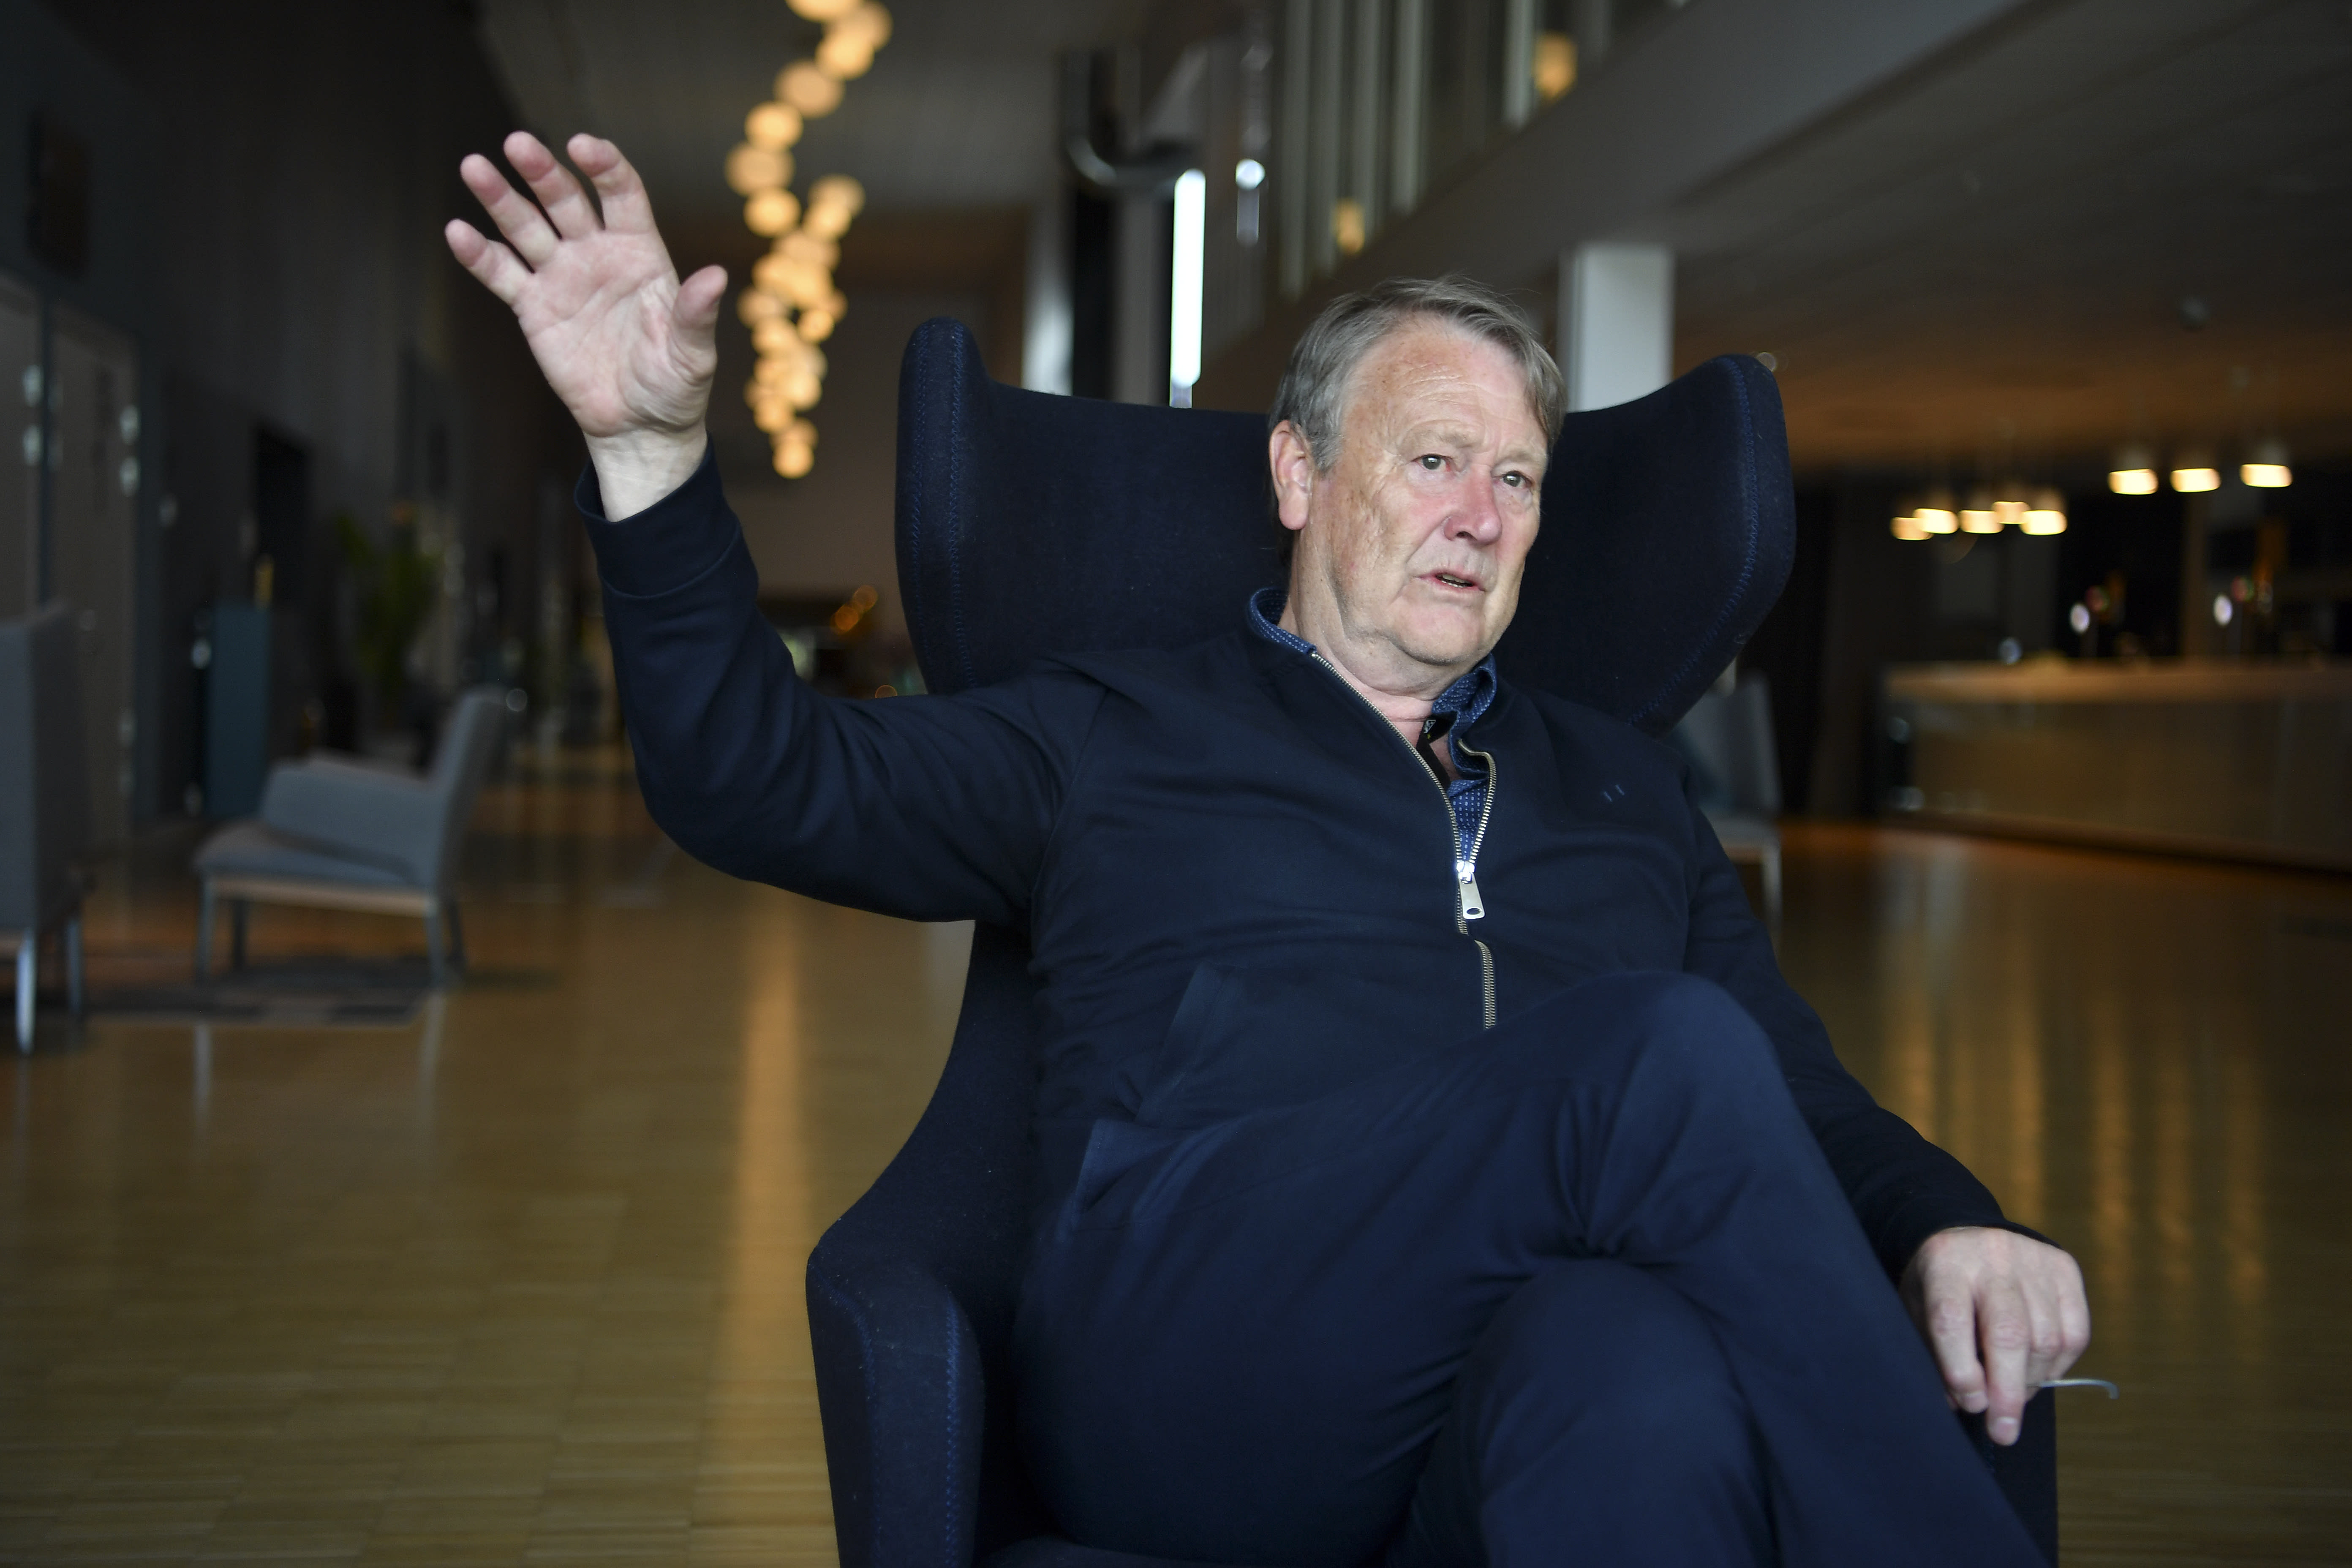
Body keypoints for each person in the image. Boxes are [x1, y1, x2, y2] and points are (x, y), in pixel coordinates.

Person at [449, 131, 2091, 1566]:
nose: (1482, 515)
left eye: (1519, 478)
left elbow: (1790, 1091)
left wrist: (1946, 1218)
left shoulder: (1621, 785)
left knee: (1630, 1370)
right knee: (1657, 1055)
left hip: (1486, 1386)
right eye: (1434, 460)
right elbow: (754, 776)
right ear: (1299, 473)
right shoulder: (1109, 733)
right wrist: (649, 458)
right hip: (1189, 1360)